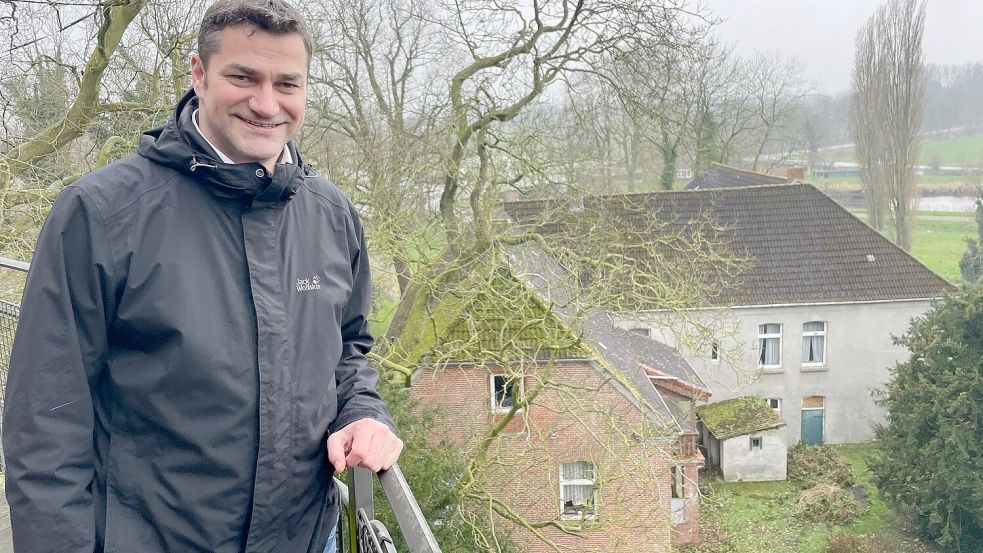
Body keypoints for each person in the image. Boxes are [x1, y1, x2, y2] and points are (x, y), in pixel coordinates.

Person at [1, 0, 402, 551]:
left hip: (307, 537)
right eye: (243, 77)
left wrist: (364, 413)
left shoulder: (332, 215)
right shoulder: (100, 213)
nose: (266, 104)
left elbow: (348, 350)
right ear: (199, 74)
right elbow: (46, 417)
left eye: (288, 83)